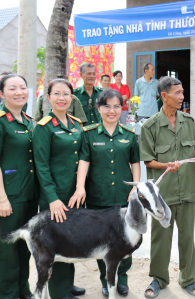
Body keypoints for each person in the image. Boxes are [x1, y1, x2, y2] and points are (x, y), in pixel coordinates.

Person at [140, 76, 195, 298]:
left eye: (182, 92)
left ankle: (188, 279)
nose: (182, 97)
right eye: (178, 93)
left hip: (188, 191)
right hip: (163, 194)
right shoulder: (150, 126)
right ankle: (159, 278)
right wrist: (166, 165)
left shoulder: (189, 122)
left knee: (187, 237)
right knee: (161, 238)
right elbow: (148, 160)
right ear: (164, 96)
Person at [69, 89, 140, 298]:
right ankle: (106, 280)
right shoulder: (88, 134)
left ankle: (123, 280)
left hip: (123, 197)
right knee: (102, 243)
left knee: (127, 239)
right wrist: (80, 187)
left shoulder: (129, 134)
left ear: (121, 108)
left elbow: (135, 162)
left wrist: (135, 187)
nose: (112, 110)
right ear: (99, 108)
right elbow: (84, 161)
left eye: (116, 106)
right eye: (107, 106)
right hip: (97, 198)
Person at [0, 74, 37, 299]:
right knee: (7, 252)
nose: (19, 92)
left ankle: (22, 291)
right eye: (12, 88)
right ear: (2, 94)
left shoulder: (29, 120)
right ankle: (7, 295)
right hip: (8, 196)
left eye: (23, 87)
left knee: (24, 247)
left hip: (29, 194)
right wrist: (2, 198)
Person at [32, 78, 86, 299]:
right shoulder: (44, 127)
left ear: (72, 97)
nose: (62, 98)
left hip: (76, 194)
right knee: (56, 243)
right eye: (57, 94)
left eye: (66, 94)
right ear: (48, 98)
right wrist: (52, 198)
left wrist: (81, 188)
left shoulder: (75, 124)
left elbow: (82, 155)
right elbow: (41, 166)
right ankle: (59, 292)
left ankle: (68, 284)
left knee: (72, 240)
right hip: (55, 196)